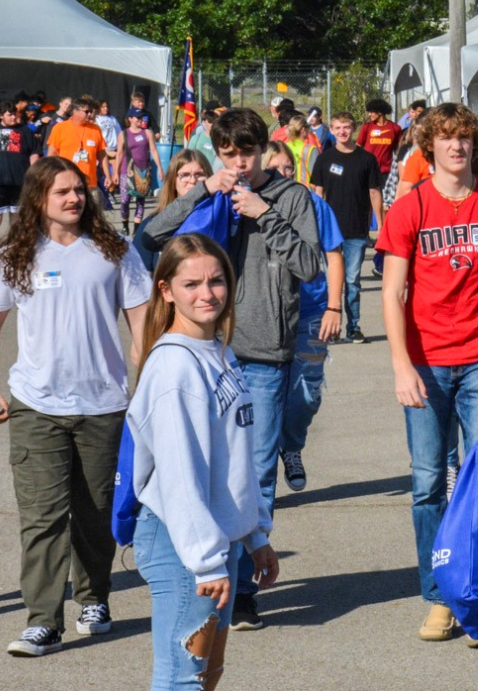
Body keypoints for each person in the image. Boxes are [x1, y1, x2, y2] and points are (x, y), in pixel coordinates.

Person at [143, 108, 320, 631]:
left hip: (265, 350)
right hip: (208, 347)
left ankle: (243, 592)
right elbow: (152, 237)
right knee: (202, 465)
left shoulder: (292, 197)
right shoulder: (211, 190)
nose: (239, 163)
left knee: (255, 471)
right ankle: (210, 568)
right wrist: (203, 191)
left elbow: (309, 265)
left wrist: (265, 212)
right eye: (228, 154)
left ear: (266, 149)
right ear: (217, 153)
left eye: (247, 153)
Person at [376, 102, 478, 642]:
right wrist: (400, 364)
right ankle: (440, 594)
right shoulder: (410, 208)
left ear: (475, 144)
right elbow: (393, 293)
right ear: (430, 147)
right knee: (427, 484)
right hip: (425, 362)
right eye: (445, 139)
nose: (457, 146)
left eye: (464, 138)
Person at [0, 157, 151, 656]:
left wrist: (146, 383)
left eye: (79, 190)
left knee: (95, 510)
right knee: (42, 516)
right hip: (36, 404)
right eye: (62, 192)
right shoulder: (12, 254)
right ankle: (42, 619)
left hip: (103, 404)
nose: (75, 199)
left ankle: (94, 599)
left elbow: (143, 322)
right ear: (39, 198)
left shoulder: (114, 250)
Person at [128, 234, 279, 691]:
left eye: (216, 281)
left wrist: (255, 532)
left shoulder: (217, 351)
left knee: (207, 675)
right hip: (184, 545)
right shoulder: (176, 368)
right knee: (182, 681)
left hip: (218, 538)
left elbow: (235, 458)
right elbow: (180, 476)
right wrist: (207, 562)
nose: (207, 293)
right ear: (166, 290)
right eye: (191, 283)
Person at [264, 143, 344, 493]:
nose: (284, 173)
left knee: (306, 395)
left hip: (312, 312)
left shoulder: (315, 204)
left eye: (288, 167)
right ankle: (262, 469)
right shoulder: (252, 204)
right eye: (276, 167)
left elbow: (334, 254)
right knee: (264, 397)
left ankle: (291, 446)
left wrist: (334, 306)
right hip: (266, 316)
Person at [310, 111, 383, 344]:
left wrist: (380, 226)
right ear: (330, 130)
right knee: (332, 282)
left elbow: (374, 193)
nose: (342, 132)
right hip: (329, 231)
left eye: (346, 127)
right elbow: (317, 193)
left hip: (356, 229)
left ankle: (353, 326)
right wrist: (314, 224)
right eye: (338, 128)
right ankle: (331, 329)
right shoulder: (324, 158)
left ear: (354, 129)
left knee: (352, 280)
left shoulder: (367, 160)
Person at [133, 149, 212, 271]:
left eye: (199, 174)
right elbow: (139, 274)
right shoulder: (152, 224)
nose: (192, 181)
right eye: (184, 175)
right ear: (173, 181)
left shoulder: (220, 219)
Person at [0, 104, 42, 249]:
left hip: (19, 179)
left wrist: (33, 172)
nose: (13, 117)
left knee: (16, 212)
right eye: (9, 115)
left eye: (15, 115)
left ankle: (14, 240)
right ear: (1, 116)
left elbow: (34, 152)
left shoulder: (25, 131)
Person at [119, 107, 165, 234]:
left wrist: (160, 168)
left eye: (141, 117)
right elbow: (119, 154)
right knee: (124, 200)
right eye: (137, 118)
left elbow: (154, 151)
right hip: (126, 171)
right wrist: (114, 174)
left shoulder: (147, 133)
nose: (140, 120)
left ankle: (137, 227)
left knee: (140, 198)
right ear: (130, 119)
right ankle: (125, 224)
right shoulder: (123, 134)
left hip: (143, 170)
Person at [46, 97, 105, 194]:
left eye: (91, 111)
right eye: (86, 111)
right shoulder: (60, 128)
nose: (90, 114)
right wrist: (51, 175)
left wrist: (109, 175)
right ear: (75, 111)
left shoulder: (95, 129)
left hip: (89, 184)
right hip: (67, 182)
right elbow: (52, 154)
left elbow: (102, 154)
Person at [358, 98, 404, 180]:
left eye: (371, 112)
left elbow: (398, 151)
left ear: (379, 112)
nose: (369, 114)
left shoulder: (395, 128)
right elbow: (357, 147)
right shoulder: (367, 127)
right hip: (368, 171)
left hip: (386, 172)